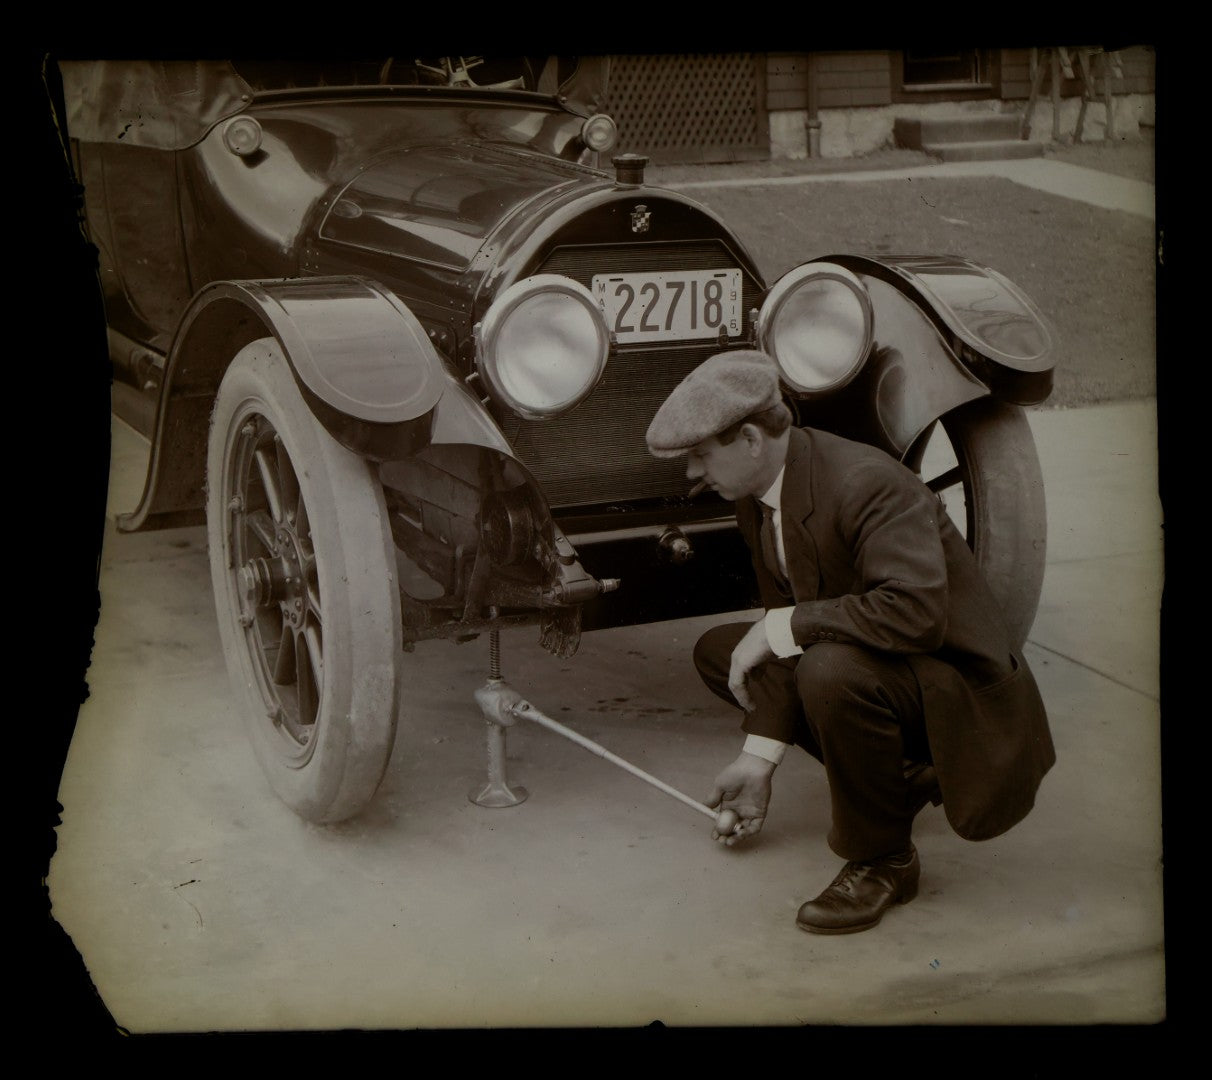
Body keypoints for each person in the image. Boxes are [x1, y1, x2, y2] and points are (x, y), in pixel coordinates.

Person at [645, 349, 1055, 935]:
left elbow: (914, 615)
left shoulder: (868, 482)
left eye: (700, 455)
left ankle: (885, 859)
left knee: (826, 670)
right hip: (894, 670)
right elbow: (785, 625)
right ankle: (899, 778)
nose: (690, 474)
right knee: (722, 652)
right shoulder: (755, 496)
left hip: (963, 697)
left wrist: (779, 628)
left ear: (753, 439)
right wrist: (758, 760)